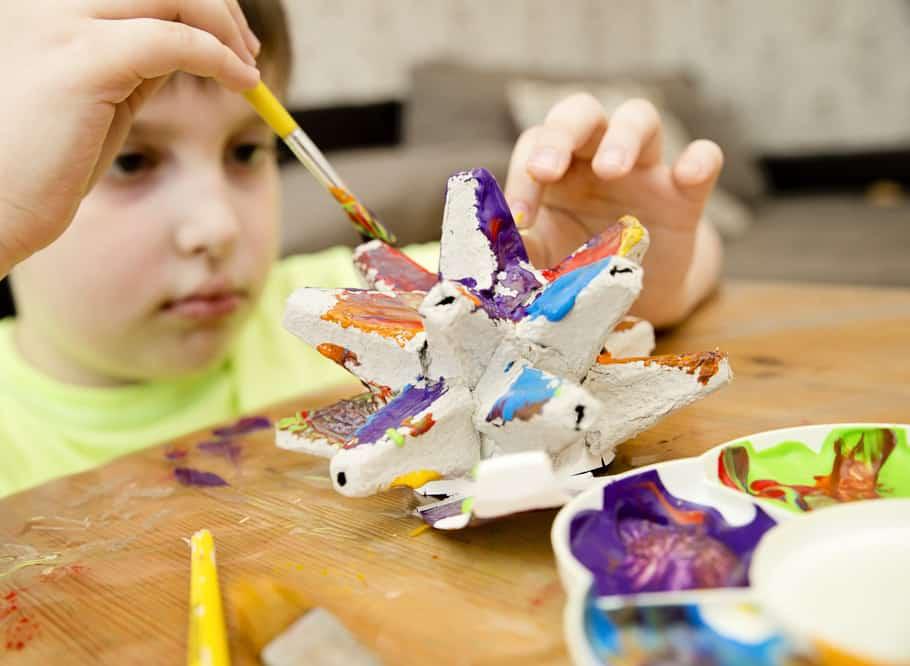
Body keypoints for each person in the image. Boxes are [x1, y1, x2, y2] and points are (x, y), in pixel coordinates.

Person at [0, 0, 723, 498]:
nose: (215, 226)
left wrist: (592, 261)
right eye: (130, 161)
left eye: (246, 152)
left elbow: (683, 279)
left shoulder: (367, 310)